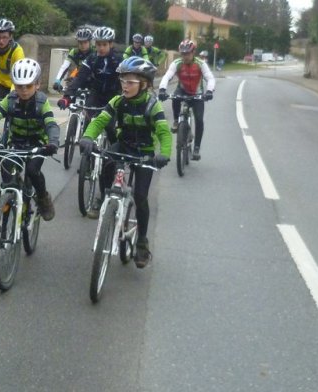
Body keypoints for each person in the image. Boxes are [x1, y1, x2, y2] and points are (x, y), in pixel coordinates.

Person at [77, 56, 171, 267]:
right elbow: (101, 120)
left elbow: (164, 132)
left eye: (130, 82)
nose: (125, 86)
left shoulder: (152, 105)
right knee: (105, 163)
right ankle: (105, 199)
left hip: (145, 152)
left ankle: (142, 242)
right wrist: (87, 137)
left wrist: (163, 153)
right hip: (124, 145)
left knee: (140, 196)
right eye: (123, 81)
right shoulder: (117, 101)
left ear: (145, 84)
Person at [0, 58, 59, 222]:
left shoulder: (42, 102)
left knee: (33, 171)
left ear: (37, 84)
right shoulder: (10, 100)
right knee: (6, 175)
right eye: (19, 86)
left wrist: (53, 142)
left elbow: (51, 124)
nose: (24, 90)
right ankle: (1, 230)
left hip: (38, 144)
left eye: (29, 86)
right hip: (16, 142)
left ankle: (43, 198)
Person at [58, 26, 123, 143]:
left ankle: (112, 156)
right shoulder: (91, 59)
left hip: (113, 95)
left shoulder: (119, 60)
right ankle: (85, 151)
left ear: (110, 44)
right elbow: (79, 78)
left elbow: (125, 80)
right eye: (98, 44)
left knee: (109, 127)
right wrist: (66, 97)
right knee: (87, 118)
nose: (101, 48)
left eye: (104, 45)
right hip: (96, 94)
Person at [158, 39, 215, 160]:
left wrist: (209, 91)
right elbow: (167, 76)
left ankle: (196, 148)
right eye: (183, 54)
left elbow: (210, 78)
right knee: (175, 97)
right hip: (182, 90)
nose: (185, 56)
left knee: (199, 119)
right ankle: (175, 120)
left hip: (197, 94)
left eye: (188, 53)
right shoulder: (177, 63)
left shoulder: (200, 63)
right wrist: (162, 90)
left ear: (193, 52)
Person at [52, 26, 94, 92]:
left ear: (89, 42)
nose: (83, 45)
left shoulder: (95, 51)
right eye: (80, 42)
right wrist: (57, 81)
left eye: (85, 42)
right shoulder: (74, 52)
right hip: (79, 79)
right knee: (67, 96)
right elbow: (64, 67)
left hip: (93, 81)